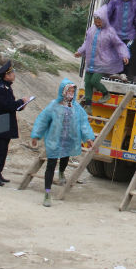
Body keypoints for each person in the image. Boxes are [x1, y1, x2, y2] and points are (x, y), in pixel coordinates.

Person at [30, 78, 95, 207]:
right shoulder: (54, 105)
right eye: (69, 90)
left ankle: (61, 172)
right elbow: (42, 120)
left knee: (66, 157)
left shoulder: (76, 108)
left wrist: (88, 137)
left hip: (69, 139)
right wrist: (36, 136)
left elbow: (83, 123)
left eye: (73, 90)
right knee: (50, 165)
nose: (71, 93)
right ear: (63, 91)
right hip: (54, 140)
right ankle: (47, 193)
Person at [75, 4, 130, 112]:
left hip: (103, 62)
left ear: (105, 20)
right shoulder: (91, 30)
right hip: (91, 61)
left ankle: (106, 94)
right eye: (96, 22)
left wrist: (124, 55)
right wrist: (80, 52)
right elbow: (87, 43)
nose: (97, 24)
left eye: (99, 22)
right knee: (87, 82)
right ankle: (88, 106)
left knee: (95, 81)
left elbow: (119, 44)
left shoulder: (110, 31)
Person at [0, 61, 29, 186]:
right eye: (11, 73)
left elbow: (11, 106)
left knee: (3, 150)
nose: (13, 74)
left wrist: (21, 106)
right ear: (6, 75)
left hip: (6, 121)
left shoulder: (6, 87)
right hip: (0, 121)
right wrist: (20, 101)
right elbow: (6, 105)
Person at [107, 0, 136, 79]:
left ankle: (124, 73)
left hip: (129, 34)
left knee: (126, 51)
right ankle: (115, 72)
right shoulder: (115, 1)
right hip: (115, 33)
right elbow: (108, 14)